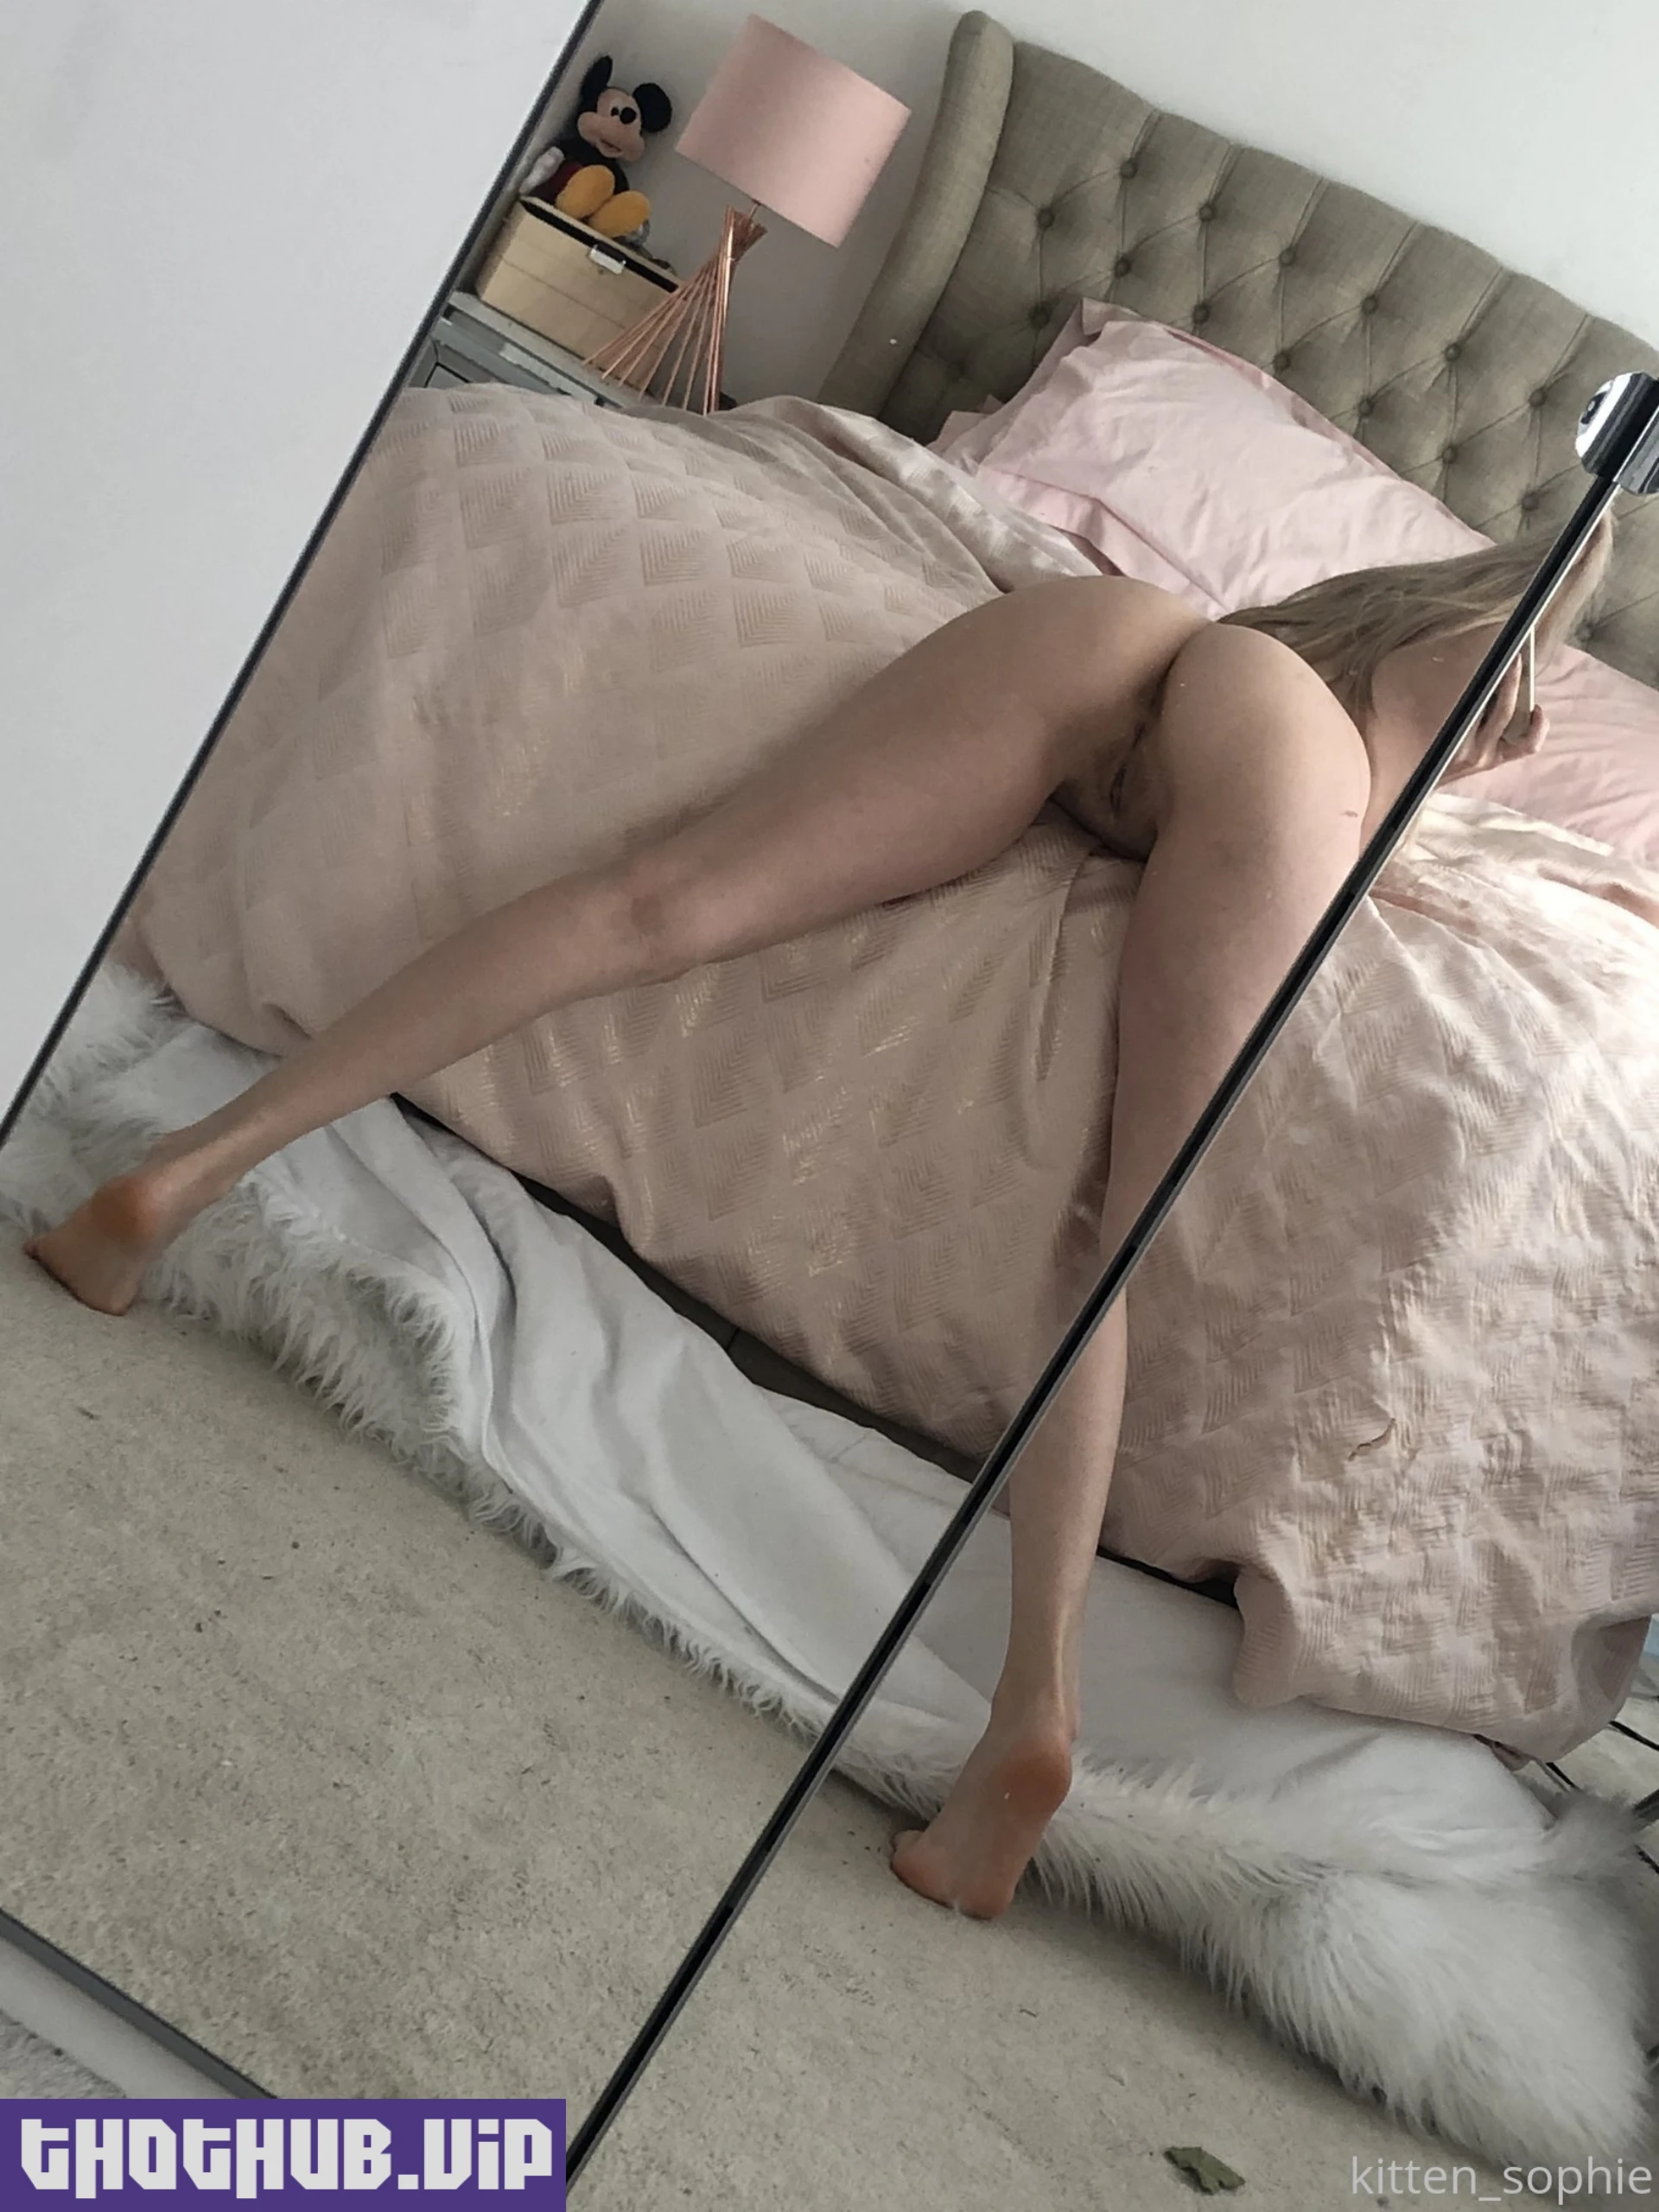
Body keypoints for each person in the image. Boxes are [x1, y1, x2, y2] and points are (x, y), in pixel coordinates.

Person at [25, 522, 1611, 1918]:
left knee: (662, 899)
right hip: (1290, 747)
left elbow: (1436, 638)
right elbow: (1486, 649)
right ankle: (1030, 1718)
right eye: (1522, 684)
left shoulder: (1282, 634)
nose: (1522, 730)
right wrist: (1537, 639)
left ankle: (180, 1175)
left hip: (1111, 639)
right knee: (1123, 1236)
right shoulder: (1400, 709)